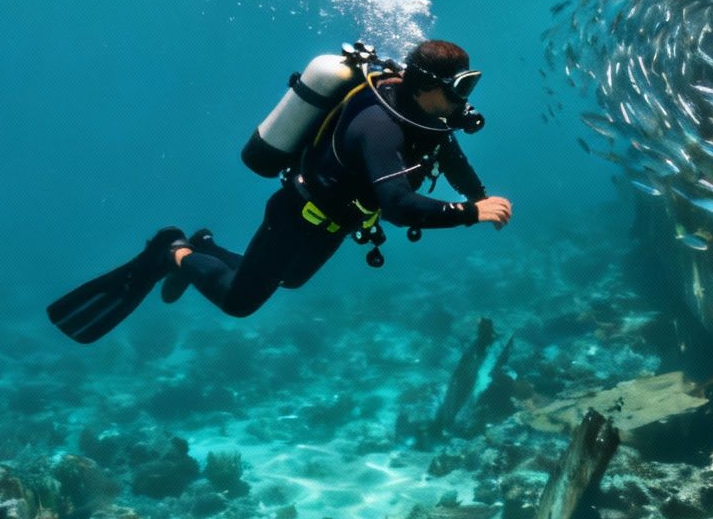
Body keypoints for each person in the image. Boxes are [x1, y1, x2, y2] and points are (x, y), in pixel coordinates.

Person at [47, 40, 512, 343]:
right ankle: (175, 251)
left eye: (469, 86)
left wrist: (479, 194)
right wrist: (471, 213)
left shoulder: (426, 118)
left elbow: (451, 158)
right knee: (239, 302)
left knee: (289, 280)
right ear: (426, 85)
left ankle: (205, 246)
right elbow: (399, 206)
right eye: (459, 88)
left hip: (337, 221)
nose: (465, 100)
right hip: (296, 216)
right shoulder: (379, 126)